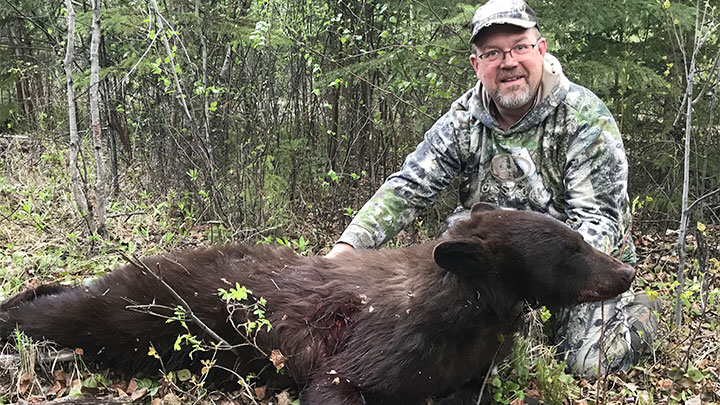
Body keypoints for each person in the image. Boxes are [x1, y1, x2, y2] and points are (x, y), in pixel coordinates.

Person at [326, 0, 658, 378]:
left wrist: (540, 286)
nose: (509, 62)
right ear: (477, 65)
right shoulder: (462, 120)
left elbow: (599, 222)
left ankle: (641, 313)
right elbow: (408, 187)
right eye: (493, 53)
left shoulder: (583, 118)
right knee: (456, 361)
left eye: (520, 47)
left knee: (585, 364)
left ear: (541, 49)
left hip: (568, 267)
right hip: (489, 273)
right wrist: (347, 248)